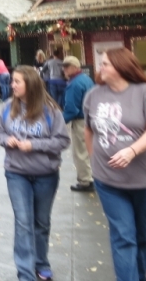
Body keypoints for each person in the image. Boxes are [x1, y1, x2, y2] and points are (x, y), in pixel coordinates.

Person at [84, 47, 146, 281]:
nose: (101, 67)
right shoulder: (94, 94)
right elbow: (88, 130)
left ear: (122, 66)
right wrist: (94, 161)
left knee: (142, 235)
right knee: (123, 235)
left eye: (106, 64)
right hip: (108, 180)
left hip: (145, 178)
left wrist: (132, 150)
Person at [0, 66, 70, 281]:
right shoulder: (8, 107)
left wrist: (33, 145)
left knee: (41, 222)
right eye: (12, 81)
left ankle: (41, 262)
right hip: (16, 173)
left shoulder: (51, 110)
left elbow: (63, 141)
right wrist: (5, 140)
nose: (12, 85)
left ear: (30, 84)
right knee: (23, 222)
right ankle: (25, 272)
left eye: (17, 81)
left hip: (45, 174)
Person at [61, 56, 95, 192]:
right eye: (64, 67)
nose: (64, 69)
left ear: (75, 68)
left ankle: (85, 181)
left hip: (81, 121)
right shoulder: (87, 79)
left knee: (80, 152)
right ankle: (93, 177)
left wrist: (58, 122)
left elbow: (71, 109)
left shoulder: (73, 84)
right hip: (92, 118)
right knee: (90, 150)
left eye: (67, 67)